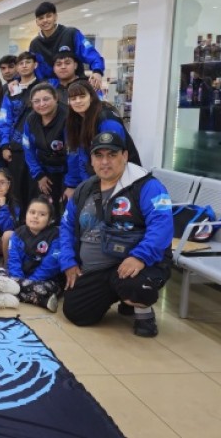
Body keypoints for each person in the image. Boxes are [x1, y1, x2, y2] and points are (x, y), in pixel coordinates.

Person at [60, 131, 173, 337]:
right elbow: (66, 226)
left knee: (136, 285)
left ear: (125, 156)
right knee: (76, 313)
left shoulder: (148, 186)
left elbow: (162, 226)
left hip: (135, 263)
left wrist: (140, 257)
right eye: (99, 155)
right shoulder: (84, 189)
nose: (105, 162)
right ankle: (120, 293)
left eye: (112, 155)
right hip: (97, 270)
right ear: (91, 160)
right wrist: (68, 261)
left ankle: (142, 310)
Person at [64, 80, 142, 199]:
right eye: (73, 98)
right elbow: (77, 155)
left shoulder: (106, 120)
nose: (78, 101)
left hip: (121, 182)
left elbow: (114, 158)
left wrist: (106, 188)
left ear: (91, 97)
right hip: (94, 181)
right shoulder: (76, 120)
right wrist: (73, 185)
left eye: (82, 96)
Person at [29, 1, 105, 91]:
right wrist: (15, 81)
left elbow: (91, 55)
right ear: (37, 22)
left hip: (76, 88)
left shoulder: (71, 33)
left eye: (49, 16)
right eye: (41, 18)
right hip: (49, 92)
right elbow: (29, 69)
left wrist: (97, 71)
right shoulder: (35, 44)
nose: (45, 20)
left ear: (55, 17)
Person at [0, 51, 40, 207]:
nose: (24, 66)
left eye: (27, 62)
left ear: (35, 65)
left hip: (38, 148)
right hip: (15, 148)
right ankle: (17, 224)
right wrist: (4, 145)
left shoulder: (44, 87)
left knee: (35, 189)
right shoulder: (11, 90)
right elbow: (4, 119)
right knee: (15, 190)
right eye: (20, 63)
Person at [7, 197, 63, 312]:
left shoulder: (56, 235)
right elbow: (14, 260)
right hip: (20, 277)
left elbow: (51, 264)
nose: (35, 216)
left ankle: (14, 293)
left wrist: (30, 281)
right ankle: (41, 300)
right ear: (26, 214)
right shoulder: (17, 233)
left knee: (47, 289)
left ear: (50, 220)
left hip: (45, 279)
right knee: (1, 275)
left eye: (42, 214)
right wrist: (19, 279)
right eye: (32, 212)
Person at [22, 83, 69, 215]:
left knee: (68, 210)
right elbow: (28, 149)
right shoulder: (31, 119)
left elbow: (74, 154)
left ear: (56, 98)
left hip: (68, 172)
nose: (41, 104)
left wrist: (71, 183)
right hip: (44, 171)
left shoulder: (68, 117)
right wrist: (39, 175)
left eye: (46, 99)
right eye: (36, 101)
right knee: (46, 210)